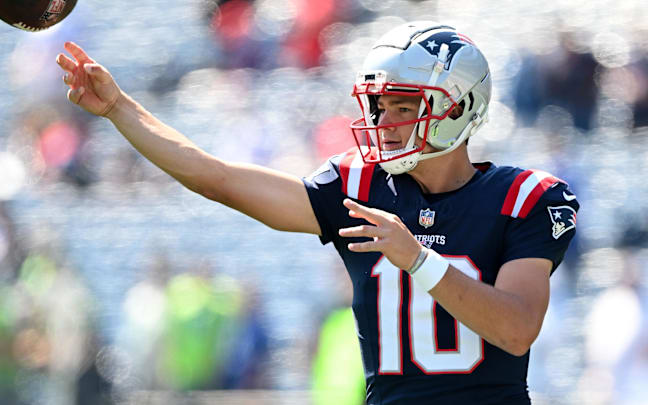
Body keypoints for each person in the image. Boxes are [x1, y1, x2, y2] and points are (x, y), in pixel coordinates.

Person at [56, 21, 579, 404]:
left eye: (404, 106)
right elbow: (218, 179)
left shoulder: (525, 197)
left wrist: (417, 259)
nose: (386, 122)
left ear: (459, 107)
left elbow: (515, 329)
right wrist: (119, 109)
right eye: (380, 106)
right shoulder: (362, 186)